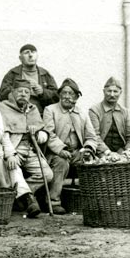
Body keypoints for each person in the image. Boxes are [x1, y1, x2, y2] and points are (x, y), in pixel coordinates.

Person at [0, 79, 55, 218]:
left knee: (47, 174)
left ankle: (19, 195)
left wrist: (39, 133)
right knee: (13, 167)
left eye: (26, 92)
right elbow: (3, 135)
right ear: (12, 92)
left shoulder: (33, 109)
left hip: (29, 148)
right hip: (13, 147)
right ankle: (30, 199)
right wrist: (10, 154)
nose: (23, 94)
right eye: (20, 91)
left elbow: (41, 132)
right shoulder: (3, 108)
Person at [43, 78, 98, 213]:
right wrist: (61, 149)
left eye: (71, 94)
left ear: (77, 97)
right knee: (61, 163)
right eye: (64, 93)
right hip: (55, 153)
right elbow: (49, 134)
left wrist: (88, 149)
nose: (67, 97)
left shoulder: (82, 113)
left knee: (92, 163)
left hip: (77, 152)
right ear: (59, 95)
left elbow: (91, 136)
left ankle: (91, 200)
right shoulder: (50, 110)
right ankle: (53, 201)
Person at [0, 44, 59, 114]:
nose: (30, 55)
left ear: (37, 56)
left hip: (40, 114)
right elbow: (2, 95)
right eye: (26, 52)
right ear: (20, 58)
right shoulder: (13, 73)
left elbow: (57, 97)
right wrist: (17, 91)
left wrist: (43, 92)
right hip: (17, 113)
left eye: (33, 52)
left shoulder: (45, 74)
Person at [88, 76, 130, 160]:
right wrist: (108, 153)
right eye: (109, 91)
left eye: (115, 91)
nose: (112, 94)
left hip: (122, 152)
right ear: (104, 92)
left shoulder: (125, 111)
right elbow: (94, 136)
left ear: (120, 92)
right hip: (101, 153)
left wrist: (129, 151)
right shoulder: (94, 110)